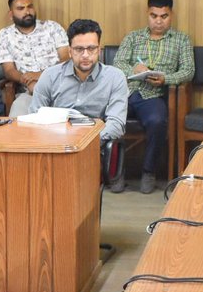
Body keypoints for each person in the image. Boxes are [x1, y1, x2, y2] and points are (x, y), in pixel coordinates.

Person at [29, 19, 130, 191]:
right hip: (55, 146)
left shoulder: (115, 77)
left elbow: (116, 124)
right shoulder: (50, 76)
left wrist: (84, 144)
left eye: (91, 49)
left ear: (99, 50)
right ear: (69, 51)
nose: (85, 55)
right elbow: (34, 117)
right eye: (79, 49)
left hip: (93, 148)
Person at [113, 0, 195, 193]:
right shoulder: (133, 37)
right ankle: (116, 172)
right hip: (127, 92)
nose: (158, 21)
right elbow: (118, 63)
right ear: (147, 14)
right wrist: (134, 69)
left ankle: (148, 171)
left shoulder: (181, 40)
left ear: (171, 15)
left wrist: (166, 79)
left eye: (164, 16)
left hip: (154, 96)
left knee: (157, 121)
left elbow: (188, 71)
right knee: (112, 118)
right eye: (154, 16)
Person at [0, 0, 70, 116]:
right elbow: (8, 70)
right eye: (21, 8)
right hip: (28, 93)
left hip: (60, 89)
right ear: (11, 14)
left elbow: (66, 58)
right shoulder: (5, 35)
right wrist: (27, 80)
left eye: (30, 7)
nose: (27, 12)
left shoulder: (52, 27)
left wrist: (41, 75)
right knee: (16, 120)